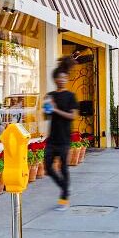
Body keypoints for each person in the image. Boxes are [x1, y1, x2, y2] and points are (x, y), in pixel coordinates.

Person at [44, 57, 78, 211]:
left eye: (65, 77)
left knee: (64, 168)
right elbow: (47, 115)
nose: (63, 80)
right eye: (60, 77)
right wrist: (47, 107)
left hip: (64, 138)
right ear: (55, 79)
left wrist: (56, 109)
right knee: (48, 167)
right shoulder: (50, 95)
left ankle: (64, 199)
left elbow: (72, 116)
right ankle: (65, 186)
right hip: (52, 138)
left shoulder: (71, 96)